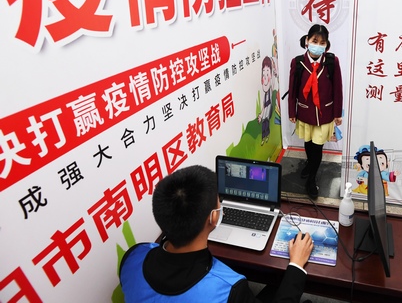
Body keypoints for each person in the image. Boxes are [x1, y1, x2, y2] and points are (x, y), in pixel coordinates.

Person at [119, 165, 314, 302]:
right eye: (219, 201)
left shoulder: (132, 257)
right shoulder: (230, 290)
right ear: (213, 217)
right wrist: (296, 264)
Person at [288, 24, 343, 199]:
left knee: (317, 146)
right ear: (307, 41)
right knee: (308, 142)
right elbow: (293, 89)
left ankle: (312, 178)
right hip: (305, 112)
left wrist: (337, 113)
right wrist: (292, 111)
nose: (318, 45)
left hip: (324, 114)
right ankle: (309, 165)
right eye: (315, 41)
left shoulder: (332, 62)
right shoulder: (298, 62)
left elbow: (338, 89)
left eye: (322, 42)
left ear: (326, 44)